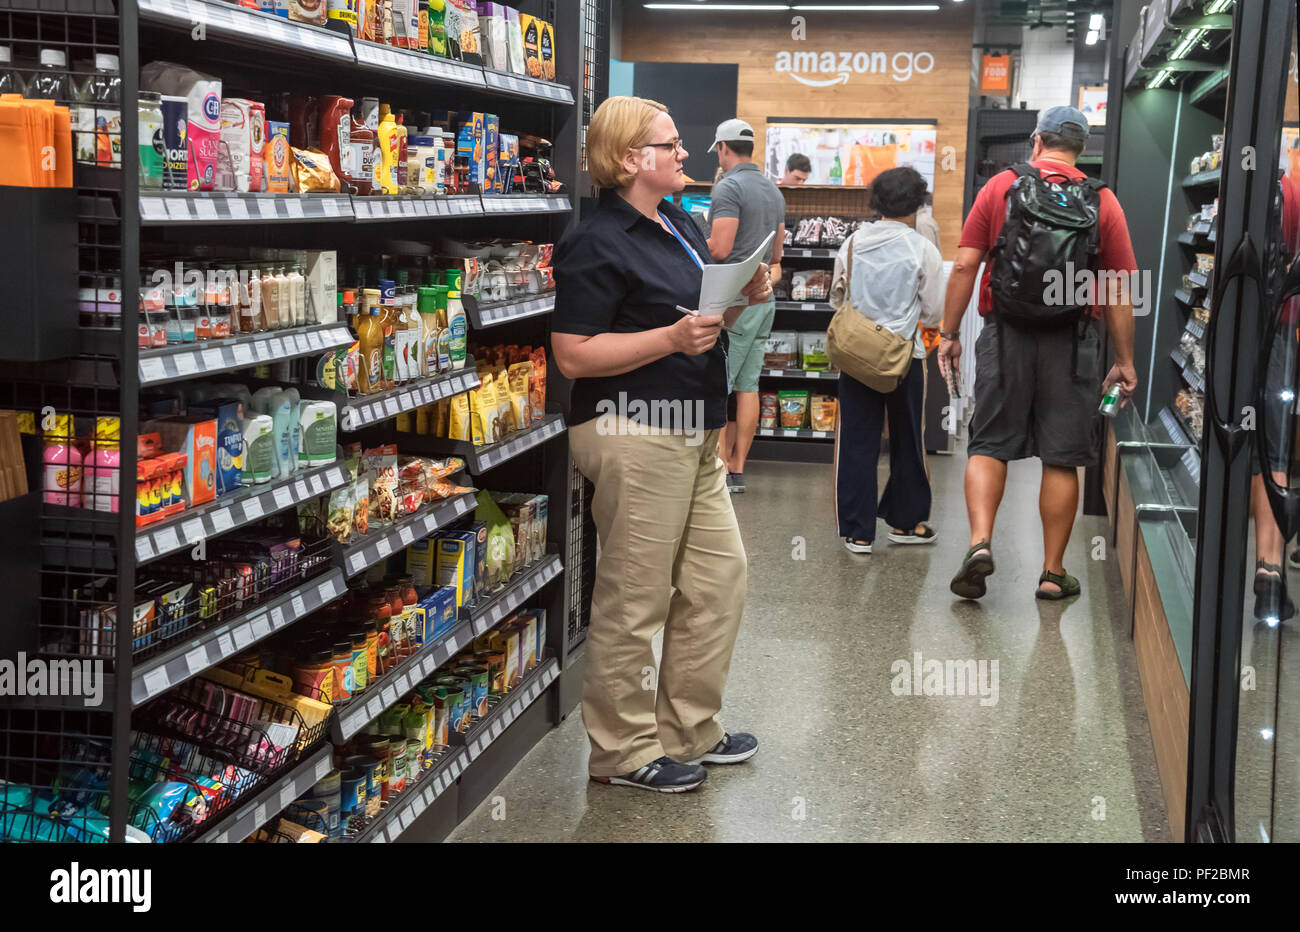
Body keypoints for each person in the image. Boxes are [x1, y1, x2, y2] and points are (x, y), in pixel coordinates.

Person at [550, 96, 771, 793]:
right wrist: (672, 339)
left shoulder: (676, 221)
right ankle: (621, 750)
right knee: (634, 597)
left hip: (694, 431)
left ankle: (689, 730)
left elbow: (702, 315)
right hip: (632, 430)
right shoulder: (596, 241)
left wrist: (745, 295)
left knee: (718, 581)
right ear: (627, 160)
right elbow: (573, 355)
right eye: (669, 144)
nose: (684, 154)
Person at [938, 106, 1139, 600]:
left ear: (1037, 141)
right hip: (1073, 342)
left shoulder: (1000, 188)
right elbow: (1119, 288)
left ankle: (980, 543)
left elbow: (965, 266)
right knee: (1061, 457)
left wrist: (947, 332)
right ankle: (1052, 572)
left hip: (1006, 332)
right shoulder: (1102, 201)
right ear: (1082, 149)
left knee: (988, 444)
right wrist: (1126, 360)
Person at [831, 167, 944, 553]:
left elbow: (836, 298)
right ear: (916, 202)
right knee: (907, 439)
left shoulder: (851, 243)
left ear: (876, 201)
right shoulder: (923, 249)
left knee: (857, 441)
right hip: (904, 359)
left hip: (855, 358)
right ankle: (906, 523)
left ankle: (858, 531)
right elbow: (931, 313)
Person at [705, 118, 786, 493]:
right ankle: (737, 467)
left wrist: (686, 240)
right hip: (764, 301)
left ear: (723, 148)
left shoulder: (729, 187)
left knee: (720, 385)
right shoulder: (773, 191)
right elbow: (777, 257)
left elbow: (720, 249)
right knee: (748, 385)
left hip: (735, 301)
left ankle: (719, 470)